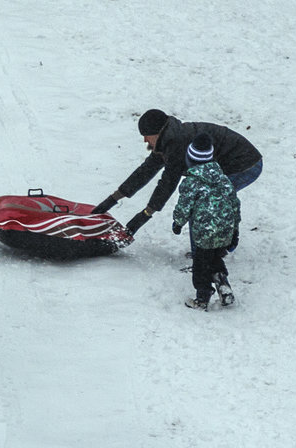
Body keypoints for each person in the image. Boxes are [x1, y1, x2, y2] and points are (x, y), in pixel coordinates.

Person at [91, 109, 262, 236]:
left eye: (146, 135)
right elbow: (145, 171)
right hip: (231, 162)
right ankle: (210, 251)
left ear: (157, 133)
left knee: (204, 206)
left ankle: (208, 257)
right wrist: (112, 199)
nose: (144, 140)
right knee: (205, 203)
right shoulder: (168, 139)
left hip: (244, 164)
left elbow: (167, 182)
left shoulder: (177, 145)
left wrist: (144, 215)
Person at [172, 133, 241, 310]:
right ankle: (223, 285)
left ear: (190, 160)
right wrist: (235, 231)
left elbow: (184, 206)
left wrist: (178, 222)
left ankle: (202, 297)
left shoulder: (191, 182)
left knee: (201, 264)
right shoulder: (224, 179)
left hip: (204, 233)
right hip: (225, 229)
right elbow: (235, 204)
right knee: (216, 258)